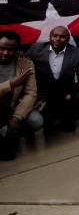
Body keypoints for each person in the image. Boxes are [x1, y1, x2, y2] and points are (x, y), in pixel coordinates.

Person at [26, 26, 79, 136]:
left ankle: (65, 118)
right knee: (49, 132)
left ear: (68, 39)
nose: (58, 39)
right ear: (50, 37)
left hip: (65, 93)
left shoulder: (78, 53)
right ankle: (49, 120)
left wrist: (74, 93)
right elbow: (23, 66)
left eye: (62, 36)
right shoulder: (36, 49)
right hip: (44, 94)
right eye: (55, 36)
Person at [0, 30, 43, 160]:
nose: (6, 53)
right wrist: (10, 84)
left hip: (14, 106)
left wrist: (17, 116)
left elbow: (31, 92)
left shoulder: (25, 64)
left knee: (37, 121)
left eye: (10, 49)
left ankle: (10, 132)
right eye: (2, 48)